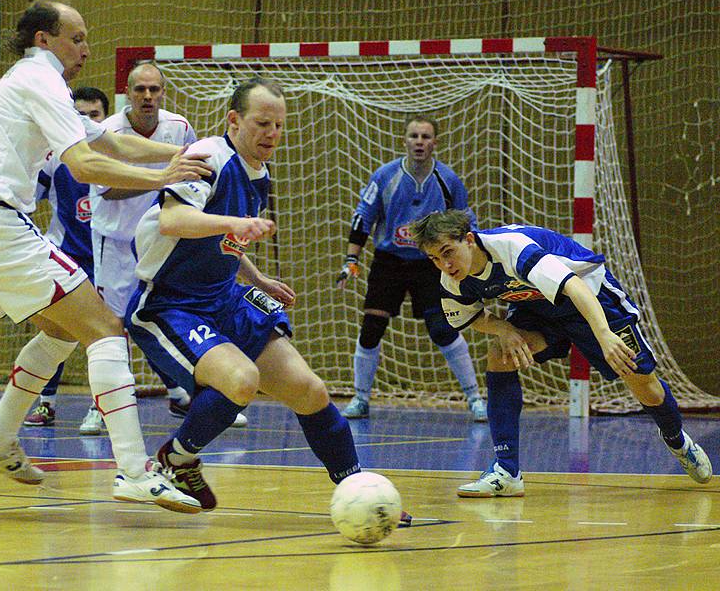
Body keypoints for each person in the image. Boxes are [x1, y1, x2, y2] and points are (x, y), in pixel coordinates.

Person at [0, 0, 214, 513]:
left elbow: (108, 142)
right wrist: (162, 179)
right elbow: (85, 166)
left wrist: (187, 153)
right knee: (106, 328)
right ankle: (132, 471)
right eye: (76, 38)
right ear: (44, 40)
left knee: (63, 329)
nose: (85, 49)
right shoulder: (38, 78)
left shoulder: (35, 85)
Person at [125, 77, 411, 526]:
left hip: (226, 298)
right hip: (172, 305)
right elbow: (175, 220)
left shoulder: (259, 172)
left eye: (278, 125)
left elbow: (222, 243)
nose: (272, 133)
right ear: (234, 121)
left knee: (310, 390)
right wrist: (239, 223)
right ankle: (176, 460)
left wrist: (256, 276)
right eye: (262, 123)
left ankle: (361, 491)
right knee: (241, 381)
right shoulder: (206, 156)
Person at [409, 209, 713, 496]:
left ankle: (676, 439)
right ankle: (507, 471)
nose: (445, 265)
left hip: (591, 298)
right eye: (435, 259)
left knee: (644, 386)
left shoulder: (512, 247)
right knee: (501, 356)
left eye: (448, 252)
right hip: (538, 308)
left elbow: (575, 286)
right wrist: (503, 329)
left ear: (469, 240)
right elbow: (470, 317)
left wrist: (604, 334)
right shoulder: (453, 279)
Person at [90, 61, 248, 428]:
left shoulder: (179, 127)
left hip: (163, 242)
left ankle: (186, 391)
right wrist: (164, 179)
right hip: (115, 240)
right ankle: (103, 405)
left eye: (154, 89)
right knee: (112, 326)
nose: (147, 96)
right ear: (127, 93)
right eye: (140, 90)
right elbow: (108, 189)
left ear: (163, 92)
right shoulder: (107, 131)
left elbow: (197, 173)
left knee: (171, 314)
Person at [335, 116, 486, 421]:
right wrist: (351, 260)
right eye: (414, 136)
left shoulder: (448, 180)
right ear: (405, 140)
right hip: (389, 262)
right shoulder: (385, 176)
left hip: (430, 264)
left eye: (425, 136)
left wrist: (472, 264)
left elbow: (465, 223)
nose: (419, 141)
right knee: (371, 329)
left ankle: (474, 397)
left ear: (435, 143)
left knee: (442, 329)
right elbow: (363, 217)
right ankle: (360, 398)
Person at [23, 86, 110, 435]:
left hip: (108, 258)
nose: (86, 121)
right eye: (80, 115)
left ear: (105, 119)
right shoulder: (55, 158)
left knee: (105, 336)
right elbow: (27, 200)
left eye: (94, 115)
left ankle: (100, 406)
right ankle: (47, 403)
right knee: (54, 329)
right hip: (66, 255)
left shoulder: (114, 157)